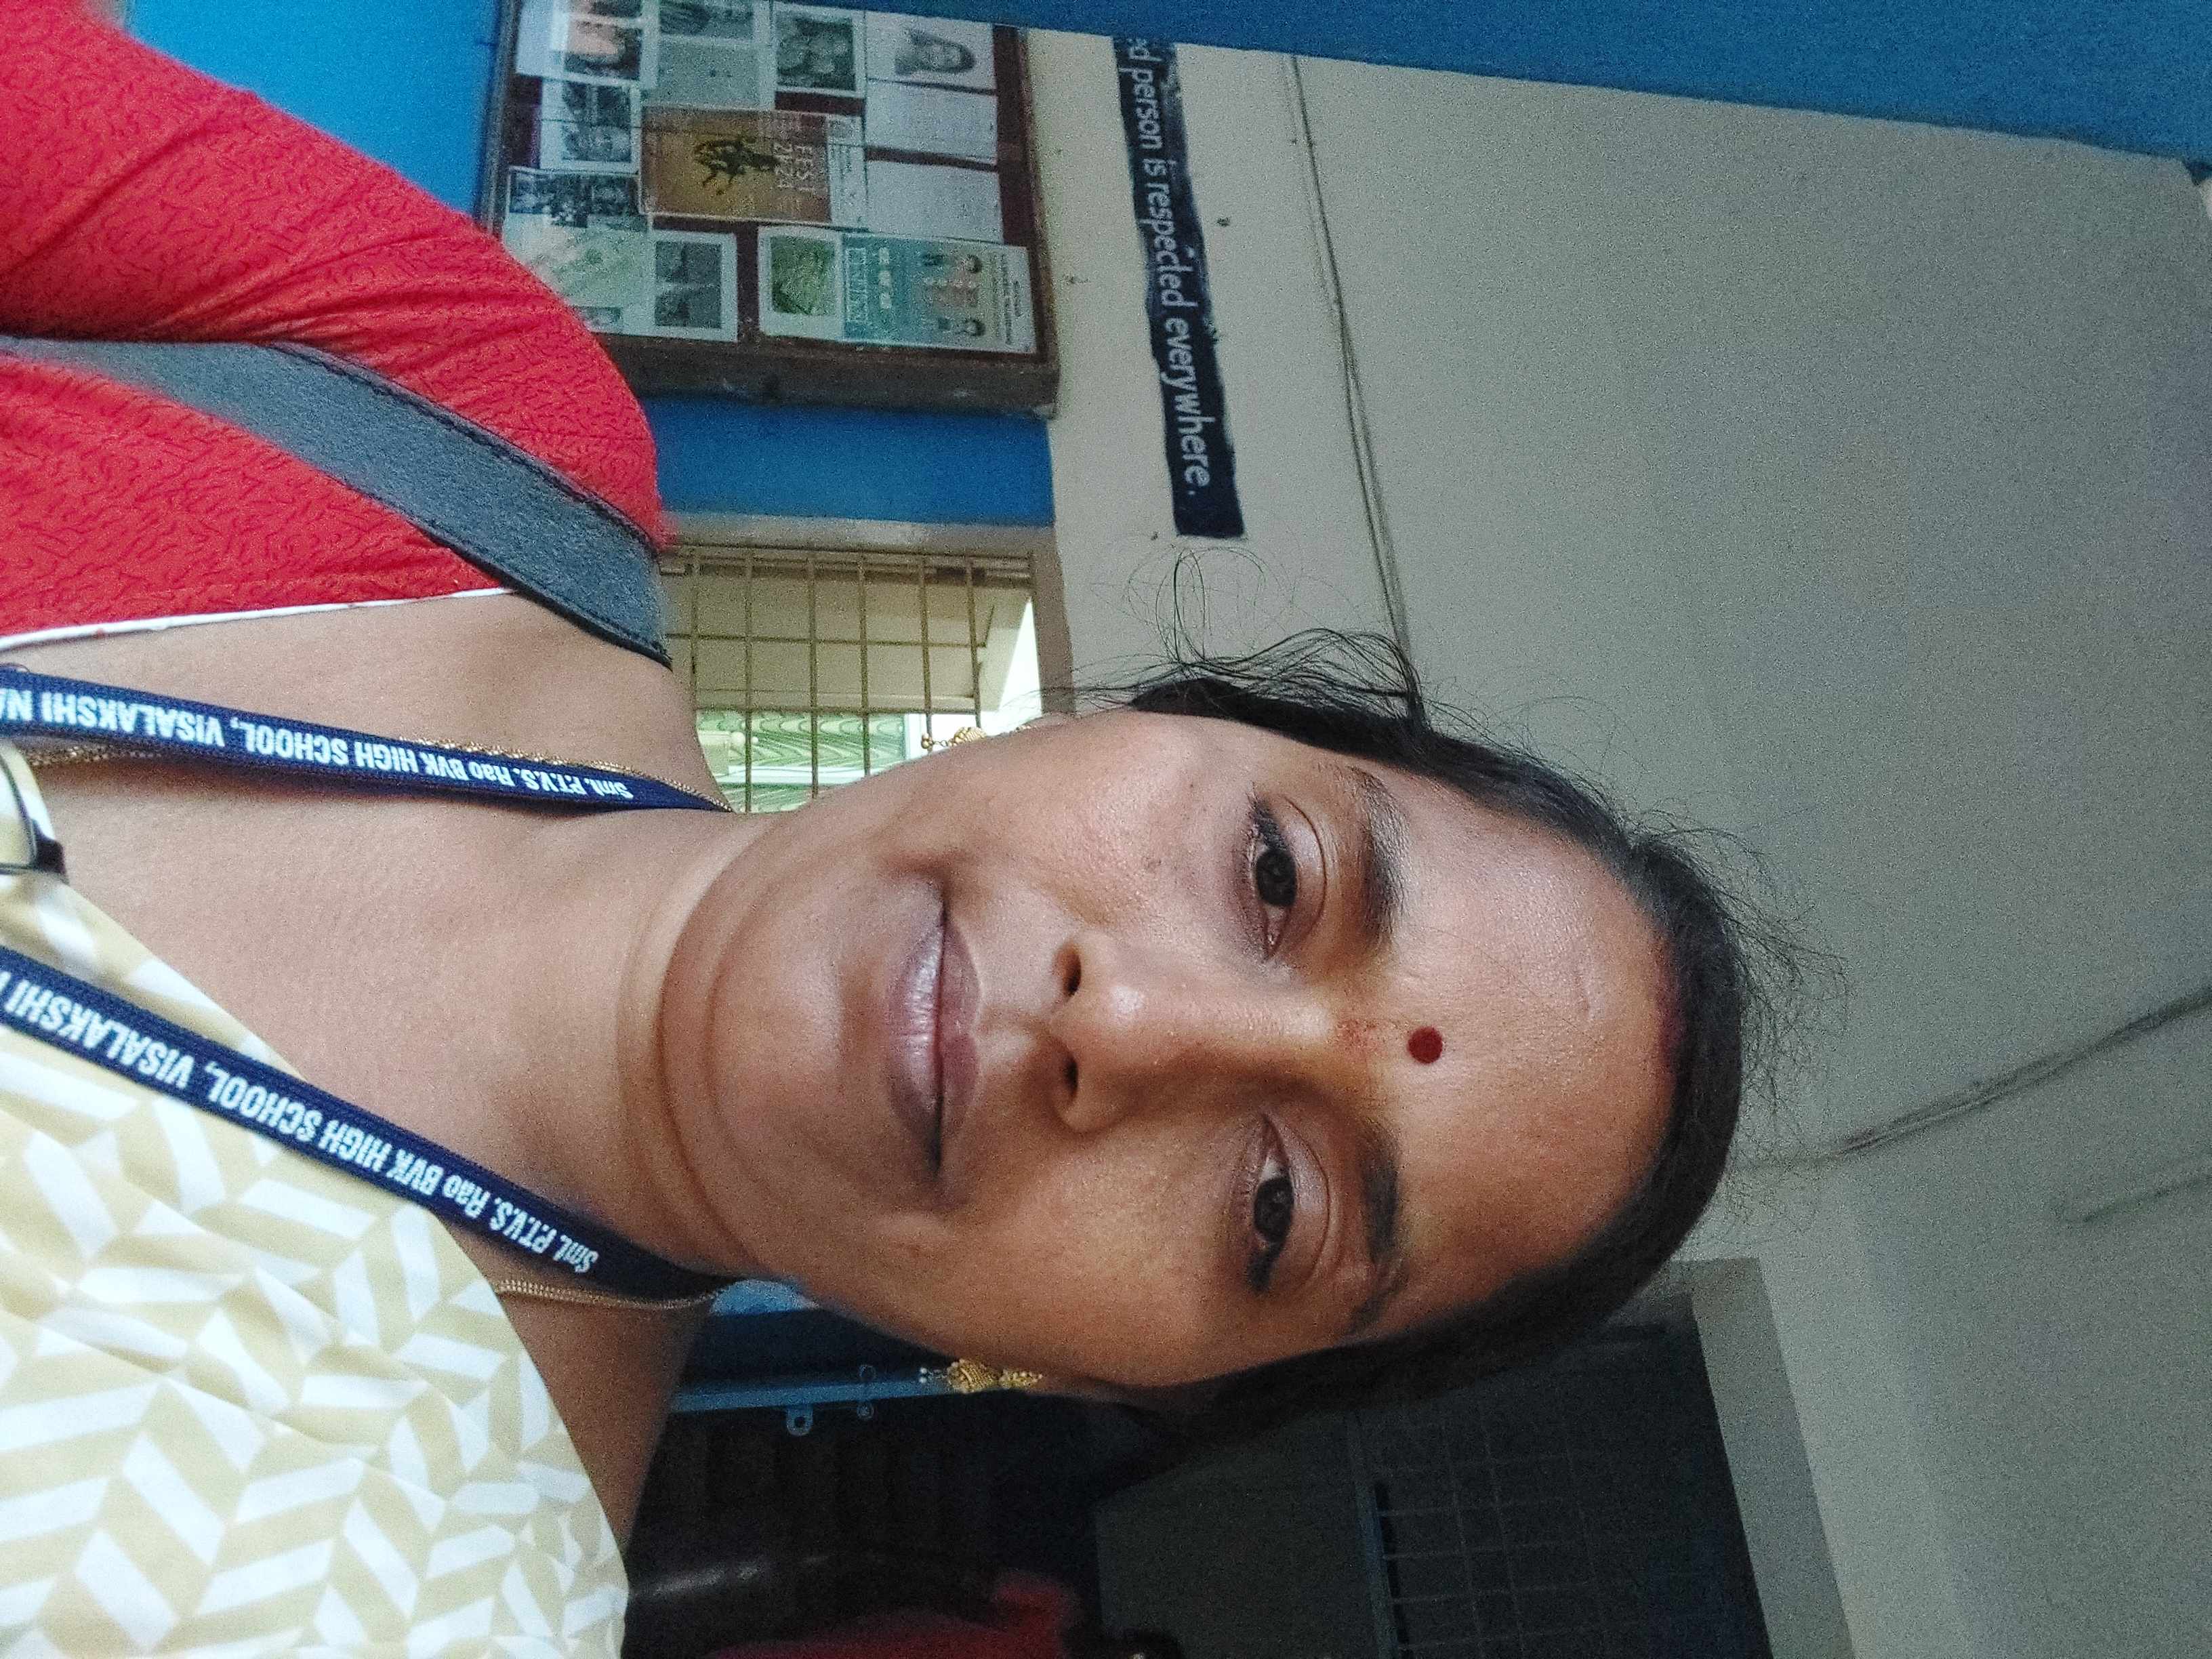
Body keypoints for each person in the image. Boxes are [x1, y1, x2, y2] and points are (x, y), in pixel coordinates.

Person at [0, 4, 1783, 1652]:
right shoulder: (453, 416)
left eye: (1272, 1210)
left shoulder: (399, 1599)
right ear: (1159, 717)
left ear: (1118, 1383)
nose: (1125, 1027)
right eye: (1274, 876)